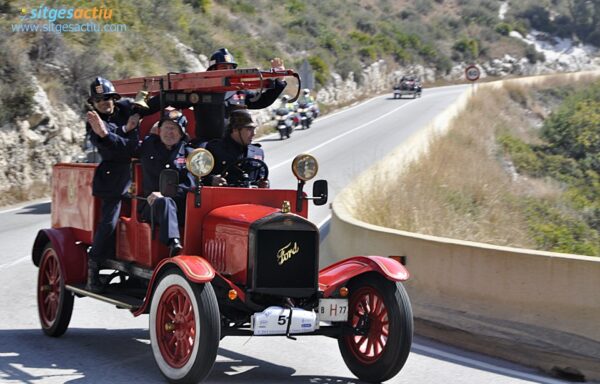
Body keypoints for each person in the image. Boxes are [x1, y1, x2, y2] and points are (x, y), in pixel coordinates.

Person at [85, 77, 144, 292]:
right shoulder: (93, 122)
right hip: (113, 179)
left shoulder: (127, 108)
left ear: (114, 98)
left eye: (107, 98)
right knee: (109, 223)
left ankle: (139, 268)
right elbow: (121, 150)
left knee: (147, 218)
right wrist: (119, 132)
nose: (104, 103)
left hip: (141, 176)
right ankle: (93, 268)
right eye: (99, 100)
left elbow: (149, 107)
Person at [192, 48, 287, 144]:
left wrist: (279, 80)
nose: (228, 71)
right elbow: (180, 103)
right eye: (224, 68)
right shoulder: (200, 90)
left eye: (231, 68)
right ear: (212, 70)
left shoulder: (238, 90)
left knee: (253, 156)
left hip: (235, 144)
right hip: (208, 144)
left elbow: (261, 101)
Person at [138, 109, 195, 257]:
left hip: (181, 207)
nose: (169, 132)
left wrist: (164, 193)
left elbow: (190, 185)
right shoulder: (147, 146)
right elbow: (124, 146)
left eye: (174, 128)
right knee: (165, 202)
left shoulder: (190, 154)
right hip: (150, 205)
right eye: (166, 127)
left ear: (181, 133)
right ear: (159, 129)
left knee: (168, 200)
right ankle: (173, 242)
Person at [204, 109, 269, 188]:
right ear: (235, 129)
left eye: (254, 129)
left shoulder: (258, 152)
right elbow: (199, 177)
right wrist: (212, 180)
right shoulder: (215, 149)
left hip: (251, 198)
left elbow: (262, 178)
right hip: (222, 197)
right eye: (249, 129)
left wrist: (264, 183)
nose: (254, 133)